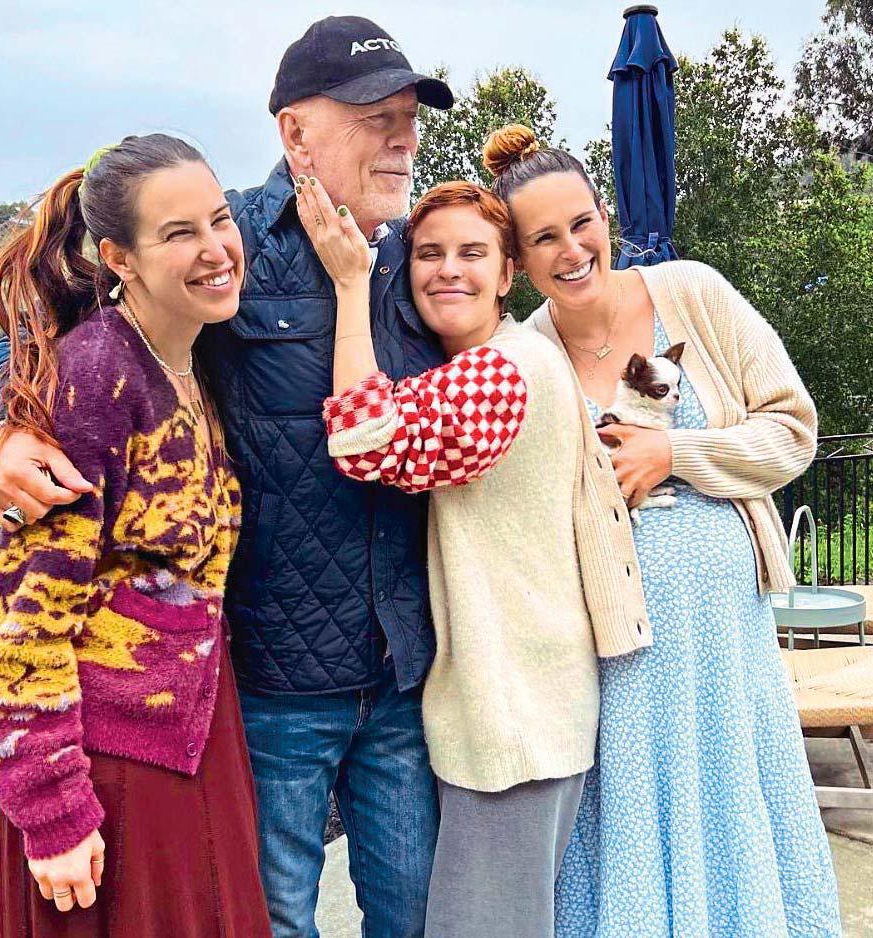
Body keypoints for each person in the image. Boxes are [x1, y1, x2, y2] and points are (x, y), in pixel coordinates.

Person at [0, 17, 454, 938]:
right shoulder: (226, 249)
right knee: (271, 919)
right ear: (295, 132)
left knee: (415, 916)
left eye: (408, 118)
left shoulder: (415, 264)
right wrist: (3, 431)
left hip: (399, 671)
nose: (402, 138)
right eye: (373, 117)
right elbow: (46, 338)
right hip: (271, 684)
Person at [481, 125, 842, 937]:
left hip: (723, 642)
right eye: (543, 238)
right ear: (518, 260)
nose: (571, 250)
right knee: (628, 820)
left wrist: (675, 453)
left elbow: (792, 432)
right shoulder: (524, 355)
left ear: (604, 215)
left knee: (732, 807)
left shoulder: (693, 293)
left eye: (581, 223)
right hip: (610, 655)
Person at [298, 174, 648, 938]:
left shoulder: (504, 370)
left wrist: (351, 284)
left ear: (506, 273)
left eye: (471, 253)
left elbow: (363, 440)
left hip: (512, 714)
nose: (447, 270)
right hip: (521, 708)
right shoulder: (493, 363)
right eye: (428, 253)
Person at [0, 135, 271, 937]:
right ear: (118, 258)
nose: (216, 249)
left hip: (191, 732)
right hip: (104, 764)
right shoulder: (96, 375)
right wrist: (54, 813)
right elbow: (24, 621)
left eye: (219, 219)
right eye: (178, 233)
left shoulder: (186, 359)